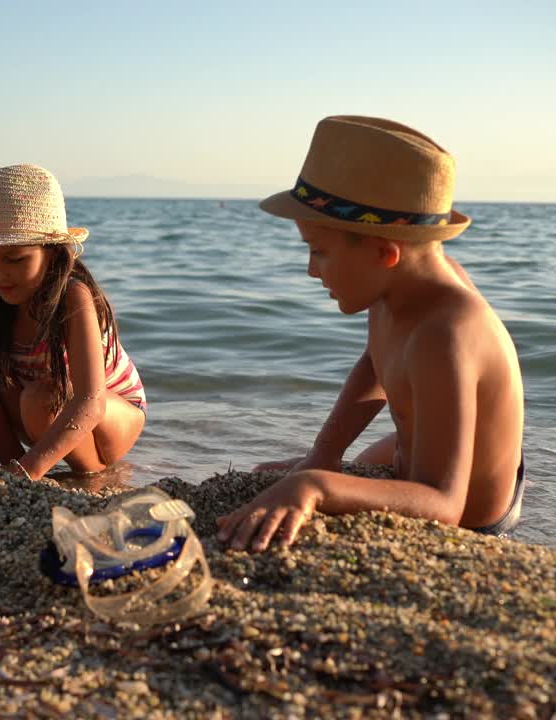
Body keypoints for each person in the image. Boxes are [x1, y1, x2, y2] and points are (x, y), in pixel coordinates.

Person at [216, 116, 526, 552]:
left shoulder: (447, 333)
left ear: (384, 252)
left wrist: (316, 486)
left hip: (470, 517)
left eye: (319, 252)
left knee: (319, 487)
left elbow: (445, 504)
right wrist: (323, 455)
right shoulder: (396, 288)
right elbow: (376, 365)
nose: (310, 269)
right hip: (412, 458)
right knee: (315, 473)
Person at [0, 164, 146, 481]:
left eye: (15, 259)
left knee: (42, 397)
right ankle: (13, 468)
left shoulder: (74, 298)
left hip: (108, 417)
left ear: (53, 253)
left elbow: (91, 400)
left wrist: (33, 468)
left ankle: (91, 475)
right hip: (40, 405)